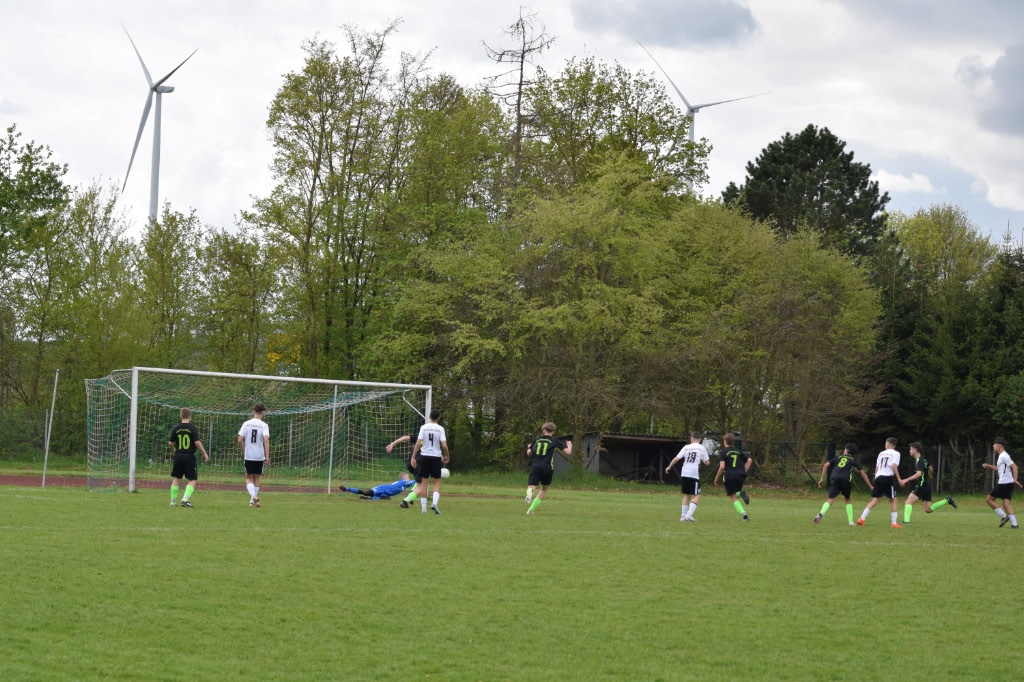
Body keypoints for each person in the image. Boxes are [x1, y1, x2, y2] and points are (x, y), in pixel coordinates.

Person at [400, 409, 449, 514]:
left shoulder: (423, 427)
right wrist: (447, 456)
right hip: (436, 457)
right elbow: (444, 445)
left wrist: (413, 457)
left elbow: (418, 444)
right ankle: (434, 503)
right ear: (439, 417)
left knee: (424, 483)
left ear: (430, 416)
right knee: (437, 482)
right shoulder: (440, 429)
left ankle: (424, 509)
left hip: (424, 457)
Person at [814, 443, 873, 525]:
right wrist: (870, 486)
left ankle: (821, 513)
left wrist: (821, 479)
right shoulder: (854, 460)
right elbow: (863, 474)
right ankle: (851, 521)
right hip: (845, 479)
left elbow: (826, 465)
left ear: (847, 450)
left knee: (830, 500)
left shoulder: (838, 457)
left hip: (834, 478)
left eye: (845, 449)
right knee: (847, 500)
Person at [899, 442, 958, 524]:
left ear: (915, 450)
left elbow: (919, 473)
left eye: (911, 449)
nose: (910, 451)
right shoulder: (923, 459)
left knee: (908, 502)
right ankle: (947, 500)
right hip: (927, 485)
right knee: (928, 509)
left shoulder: (919, 460)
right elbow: (930, 468)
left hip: (922, 485)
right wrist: (928, 475)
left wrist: (906, 480)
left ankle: (906, 521)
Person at [524, 422, 572, 515]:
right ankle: (530, 510)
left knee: (532, 486)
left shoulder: (537, 439)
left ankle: (529, 493)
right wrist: (569, 445)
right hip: (547, 467)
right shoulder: (554, 441)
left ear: (543, 430)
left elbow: (529, 453)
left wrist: (529, 447)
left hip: (535, 466)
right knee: (544, 490)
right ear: (553, 431)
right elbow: (568, 452)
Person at [856, 437, 902, 528]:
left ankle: (861, 519)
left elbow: (877, 467)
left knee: (874, 500)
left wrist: (875, 478)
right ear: (894, 446)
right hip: (887, 477)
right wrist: (899, 478)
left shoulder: (881, 453)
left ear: (887, 445)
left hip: (878, 477)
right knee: (893, 499)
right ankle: (894, 523)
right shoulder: (896, 453)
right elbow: (893, 465)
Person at [168, 407, 209, 508]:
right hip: (189, 456)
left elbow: (170, 443)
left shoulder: (176, 428)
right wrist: (204, 452)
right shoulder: (192, 428)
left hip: (178, 455)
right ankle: (185, 500)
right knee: (193, 478)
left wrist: (174, 449)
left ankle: (172, 502)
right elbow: (197, 442)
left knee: (177, 478)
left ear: (180, 416)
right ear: (190, 416)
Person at [665, 431, 709, 522]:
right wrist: (702, 458)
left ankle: (683, 516)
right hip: (693, 474)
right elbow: (707, 462)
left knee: (687, 495)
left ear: (691, 438)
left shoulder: (686, 447)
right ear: (700, 439)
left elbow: (676, 458)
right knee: (697, 494)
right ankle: (688, 515)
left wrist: (669, 467)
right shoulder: (701, 447)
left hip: (684, 473)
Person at [982, 437, 1023, 528]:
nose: (993, 446)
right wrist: (989, 466)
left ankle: (1004, 516)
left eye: (994, 444)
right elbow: (999, 468)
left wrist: (1015, 479)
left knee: (989, 499)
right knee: (1006, 504)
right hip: (1008, 483)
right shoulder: (1002, 456)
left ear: (999, 445)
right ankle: (1014, 524)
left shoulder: (1004, 456)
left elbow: (1015, 467)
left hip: (1004, 483)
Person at [713, 433, 752, 521]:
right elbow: (749, 460)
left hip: (729, 475)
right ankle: (740, 494)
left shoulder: (723, 452)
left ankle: (745, 516)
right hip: (740, 475)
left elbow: (722, 467)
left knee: (733, 497)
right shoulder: (738, 451)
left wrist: (716, 478)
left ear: (725, 441)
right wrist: (743, 471)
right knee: (735, 494)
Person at [238, 403, 270, 508]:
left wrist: (244, 450)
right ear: (263, 412)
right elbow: (266, 439)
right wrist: (267, 456)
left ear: (253, 411)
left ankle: (253, 497)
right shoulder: (264, 425)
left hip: (249, 455)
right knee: (256, 478)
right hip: (259, 455)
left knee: (248, 477)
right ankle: (253, 501)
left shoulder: (246, 424)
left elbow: (239, 440)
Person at [340, 471, 415, 500]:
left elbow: (413, 485)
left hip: (384, 491)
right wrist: (420, 477)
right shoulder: (404, 482)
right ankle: (346, 489)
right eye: (408, 477)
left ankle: (367, 498)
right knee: (365, 492)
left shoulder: (403, 484)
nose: (409, 478)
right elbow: (414, 482)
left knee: (387, 498)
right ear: (404, 478)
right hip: (381, 489)